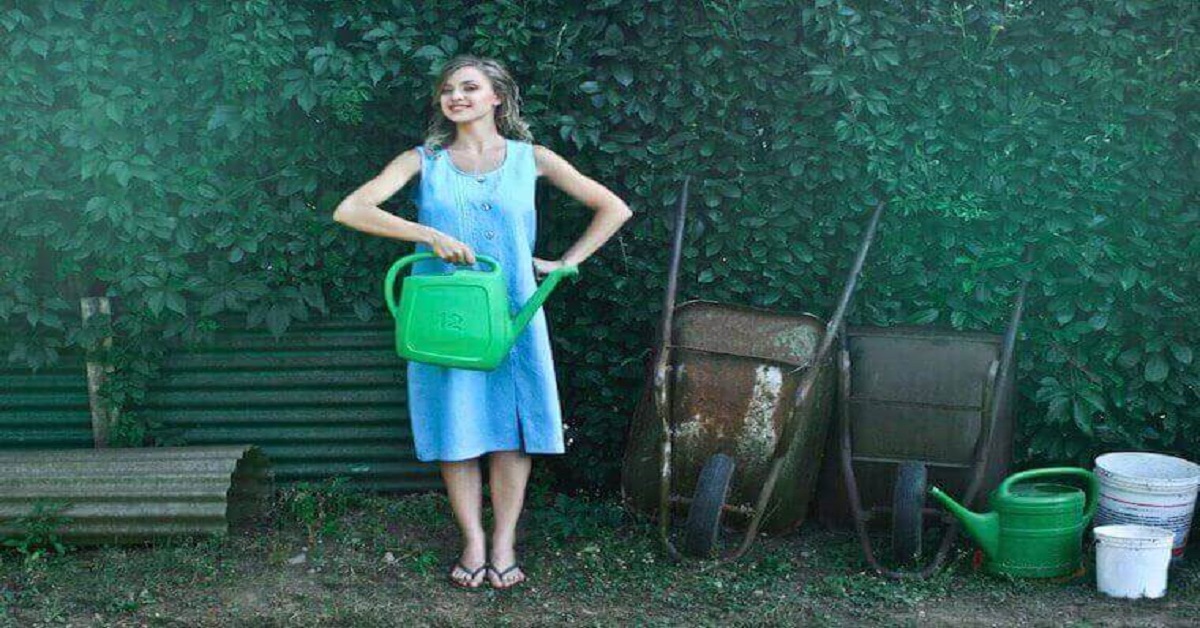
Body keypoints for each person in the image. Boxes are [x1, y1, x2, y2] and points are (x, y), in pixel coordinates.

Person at [332, 55, 632, 590]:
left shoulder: (532, 158)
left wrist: (567, 261)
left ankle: (504, 541)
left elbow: (613, 208)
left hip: (513, 316)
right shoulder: (422, 161)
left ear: (498, 97)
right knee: (457, 428)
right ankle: (472, 538)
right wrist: (426, 235)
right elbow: (351, 209)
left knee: (512, 434)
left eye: (470, 87)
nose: (457, 96)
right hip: (445, 319)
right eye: (448, 89)